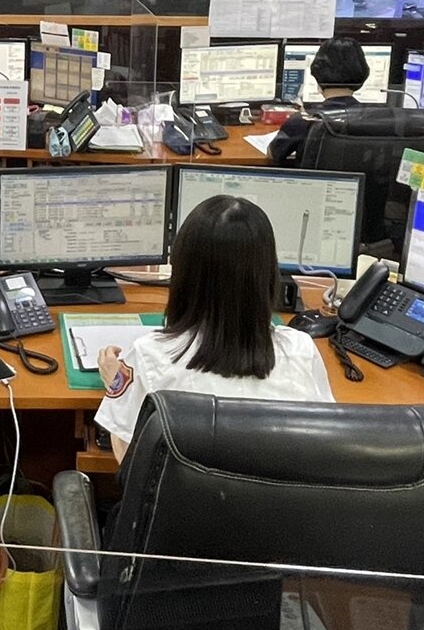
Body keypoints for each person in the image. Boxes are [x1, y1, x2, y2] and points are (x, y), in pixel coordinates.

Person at [94, 195, 333, 463]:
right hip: (278, 506)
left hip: (184, 506)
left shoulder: (151, 356)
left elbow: (130, 463)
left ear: (184, 272)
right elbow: (325, 449)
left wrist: (116, 381)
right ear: (266, 274)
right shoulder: (301, 352)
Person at [269, 37, 370, 167]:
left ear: (317, 74)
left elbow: (272, 155)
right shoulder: (376, 119)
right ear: (362, 74)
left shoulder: (304, 119)